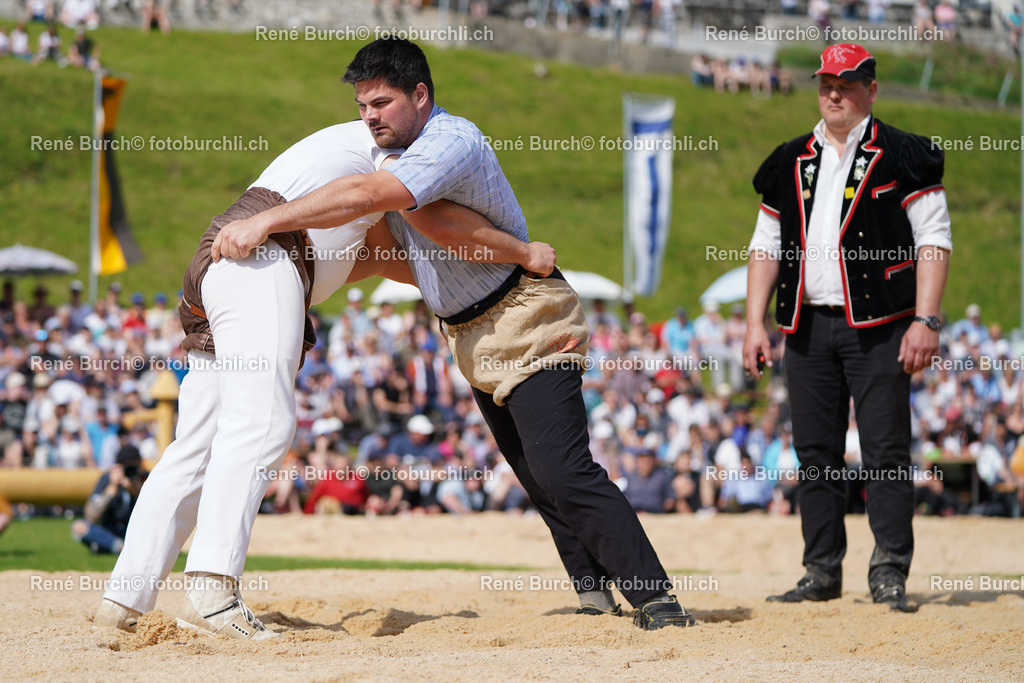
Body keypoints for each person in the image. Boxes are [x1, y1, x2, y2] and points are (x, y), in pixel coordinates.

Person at [213, 38, 695, 630]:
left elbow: (383, 203)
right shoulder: (393, 159)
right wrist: (293, 299)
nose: (369, 117)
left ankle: (657, 600)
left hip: (527, 311)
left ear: (420, 95)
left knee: (564, 468)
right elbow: (391, 253)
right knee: (537, 475)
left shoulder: (449, 140)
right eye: (363, 105)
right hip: (471, 331)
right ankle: (594, 595)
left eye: (382, 102)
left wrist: (266, 220)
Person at [94, 120, 544, 640]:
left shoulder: (365, 189)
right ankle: (212, 590)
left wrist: (468, 277)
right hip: (261, 256)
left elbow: (395, 254)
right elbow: (418, 217)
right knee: (264, 423)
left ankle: (124, 598)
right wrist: (521, 253)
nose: (373, 113)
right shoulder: (391, 153)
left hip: (228, 266)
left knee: (196, 445)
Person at [743, 44, 952, 612]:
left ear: (871, 89)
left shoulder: (905, 154)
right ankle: (821, 569)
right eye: (826, 83)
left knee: (885, 450)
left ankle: (888, 569)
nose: (834, 93)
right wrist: (753, 324)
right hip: (806, 325)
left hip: (882, 325)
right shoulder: (789, 159)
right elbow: (764, 246)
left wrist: (926, 320)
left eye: (847, 83)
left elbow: (933, 239)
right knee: (814, 452)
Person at [71, 445, 146, 554]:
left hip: (137, 531)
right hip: (111, 530)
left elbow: (159, 512)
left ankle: (106, 547)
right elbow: (90, 515)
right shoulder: (107, 480)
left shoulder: (147, 478)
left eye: (134, 464)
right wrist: (111, 489)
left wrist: (135, 490)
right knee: (79, 527)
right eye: (126, 465)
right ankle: (122, 548)